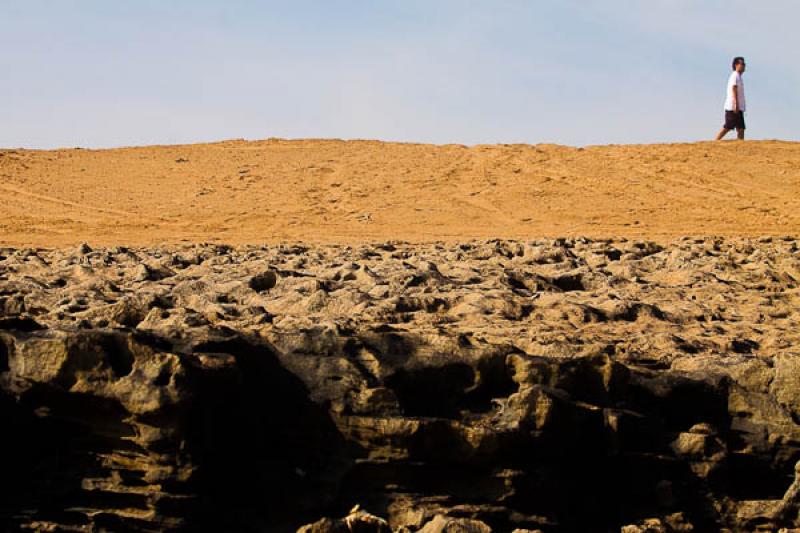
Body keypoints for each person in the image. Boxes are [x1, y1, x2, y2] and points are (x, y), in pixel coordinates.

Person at [716, 57, 746, 140]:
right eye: (742, 64)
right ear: (736, 65)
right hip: (732, 107)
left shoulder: (739, 77)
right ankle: (715, 141)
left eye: (744, 64)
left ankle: (740, 146)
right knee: (728, 126)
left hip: (738, 107)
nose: (743, 66)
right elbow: (734, 88)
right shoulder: (735, 75)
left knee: (741, 128)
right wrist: (736, 104)